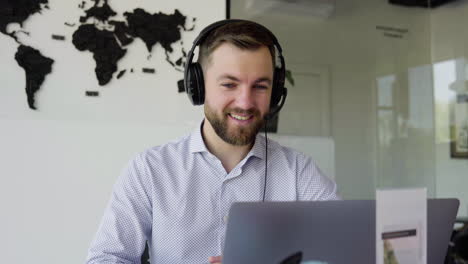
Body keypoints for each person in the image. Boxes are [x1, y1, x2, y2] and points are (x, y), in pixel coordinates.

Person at [86, 19, 340, 264]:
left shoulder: (298, 171)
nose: (245, 102)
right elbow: (106, 259)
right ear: (199, 86)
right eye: (229, 84)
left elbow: (343, 250)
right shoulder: (150, 169)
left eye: (260, 87)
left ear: (275, 93)